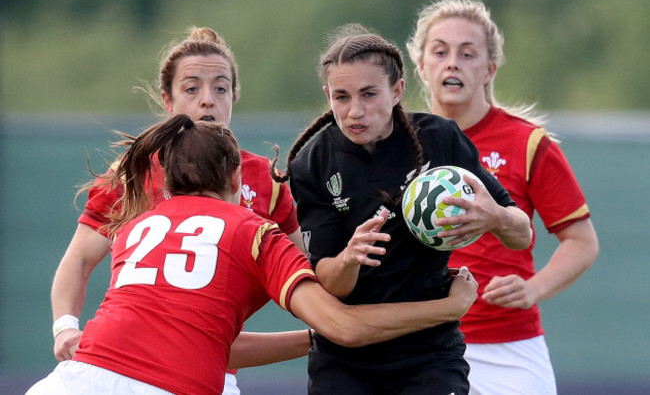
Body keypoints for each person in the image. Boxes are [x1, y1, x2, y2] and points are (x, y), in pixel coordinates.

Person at [27, 114, 479, 395]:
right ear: (236, 174)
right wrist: (447, 308)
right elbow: (344, 326)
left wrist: (311, 340)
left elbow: (206, 341)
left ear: (166, 182)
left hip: (73, 381)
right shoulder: (253, 230)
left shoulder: (136, 228)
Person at [271, 24, 532, 395]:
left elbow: (522, 234)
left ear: (397, 91)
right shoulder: (312, 165)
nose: (355, 110)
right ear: (327, 95)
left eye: (369, 94)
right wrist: (350, 257)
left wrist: (496, 217)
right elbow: (329, 282)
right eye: (341, 97)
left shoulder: (440, 139)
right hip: (345, 361)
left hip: (429, 355)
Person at [50, 27, 309, 394]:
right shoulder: (135, 170)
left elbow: (307, 277)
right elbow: (78, 260)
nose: (208, 101)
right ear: (167, 101)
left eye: (221, 88)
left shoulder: (267, 181)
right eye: (192, 88)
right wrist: (65, 326)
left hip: (206, 371)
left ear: (234, 96)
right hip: (118, 363)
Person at [406, 0, 599, 394]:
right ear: (422, 67)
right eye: (440, 52)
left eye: (468, 53)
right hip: (420, 345)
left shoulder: (527, 143)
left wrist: (534, 289)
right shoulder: (395, 145)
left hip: (508, 349)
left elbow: (581, 243)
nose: (452, 62)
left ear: (490, 68)